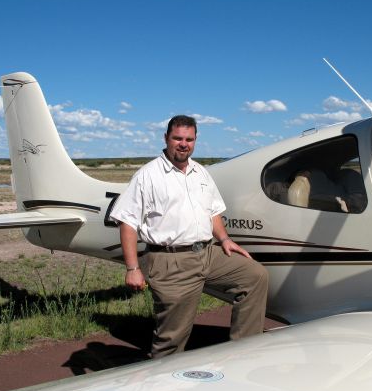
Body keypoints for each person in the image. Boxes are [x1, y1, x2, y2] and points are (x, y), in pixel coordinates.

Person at [109, 115, 268, 358]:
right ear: (166, 138)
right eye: (178, 138)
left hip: (207, 253)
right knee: (171, 341)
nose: (183, 144)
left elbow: (213, 211)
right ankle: (159, 388)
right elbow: (127, 222)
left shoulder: (200, 173)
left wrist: (224, 239)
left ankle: (242, 355)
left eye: (189, 139)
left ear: (195, 141)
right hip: (171, 262)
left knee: (255, 276)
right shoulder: (148, 175)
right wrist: (132, 268)